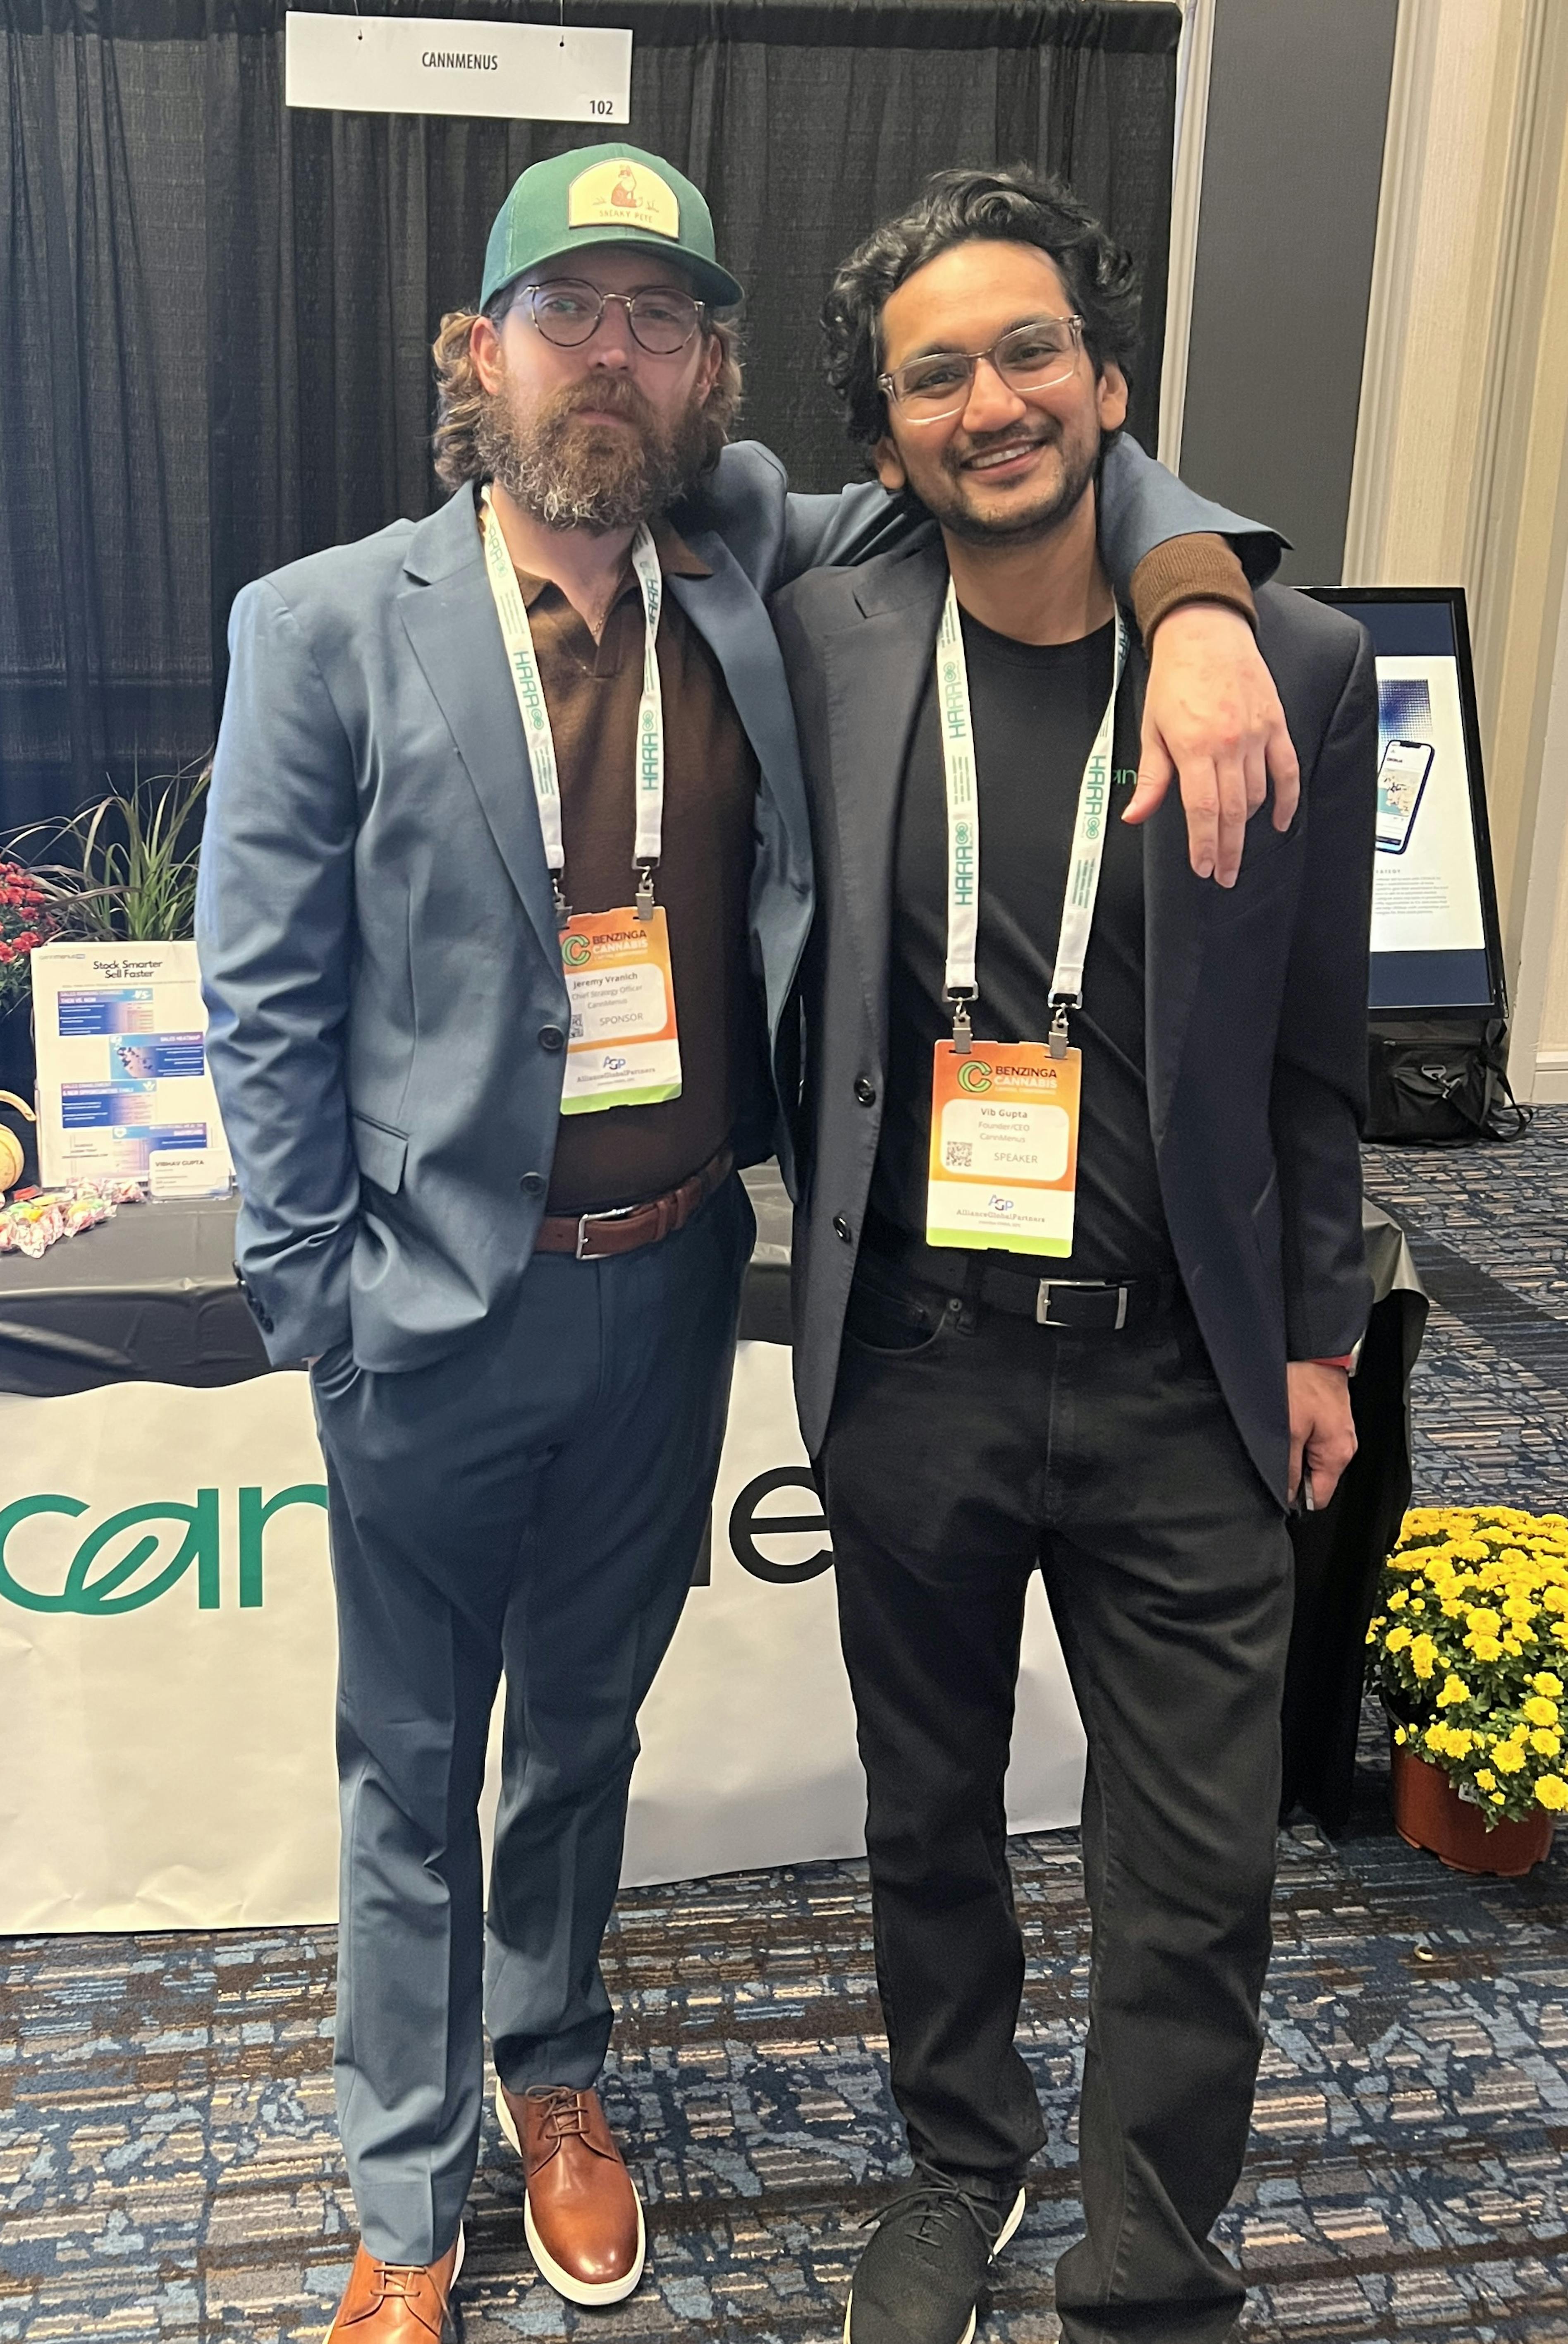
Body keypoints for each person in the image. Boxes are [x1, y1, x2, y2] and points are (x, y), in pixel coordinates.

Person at [197, 142, 1298, 2342]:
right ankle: (404, 2204)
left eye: (659, 318)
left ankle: (557, 2071)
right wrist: (323, 1301)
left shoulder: (751, 556)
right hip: (430, 1309)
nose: (609, 357)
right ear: (478, 350)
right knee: (412, 1759)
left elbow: (1042, 447)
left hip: (678, 1281)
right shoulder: (325, 625)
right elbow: (263, 1002)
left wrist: (1192, 601)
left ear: (710, 370)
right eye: (566, 311)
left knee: (582, 1735)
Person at [772, 166, 1376, 2344]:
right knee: (928, 1817)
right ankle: (960, 2156)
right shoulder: (834, 621)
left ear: (1114, 387)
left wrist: (1322, 1328)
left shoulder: (1292, 664)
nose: (991, 399)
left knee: (1197, 1871)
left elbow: (1322, 1060)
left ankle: (1151, 2264)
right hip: (916, 1353)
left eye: (1034, 349)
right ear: (887, 439)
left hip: (1179, 1374)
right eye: (936, 372)